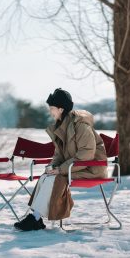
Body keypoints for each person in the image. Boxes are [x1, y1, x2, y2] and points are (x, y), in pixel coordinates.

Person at [14, 88, 107, 231]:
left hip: (91, 168)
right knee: (46, 176)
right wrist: (53, 166)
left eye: (52, 108)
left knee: (56, 178)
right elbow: (59, 154)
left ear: (61, 109)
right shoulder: (61, 125)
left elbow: (87, 154)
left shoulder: (81, 126)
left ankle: (35, 218)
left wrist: (60, 170)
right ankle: (36, 218)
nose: (50, 111)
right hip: (75, 167)